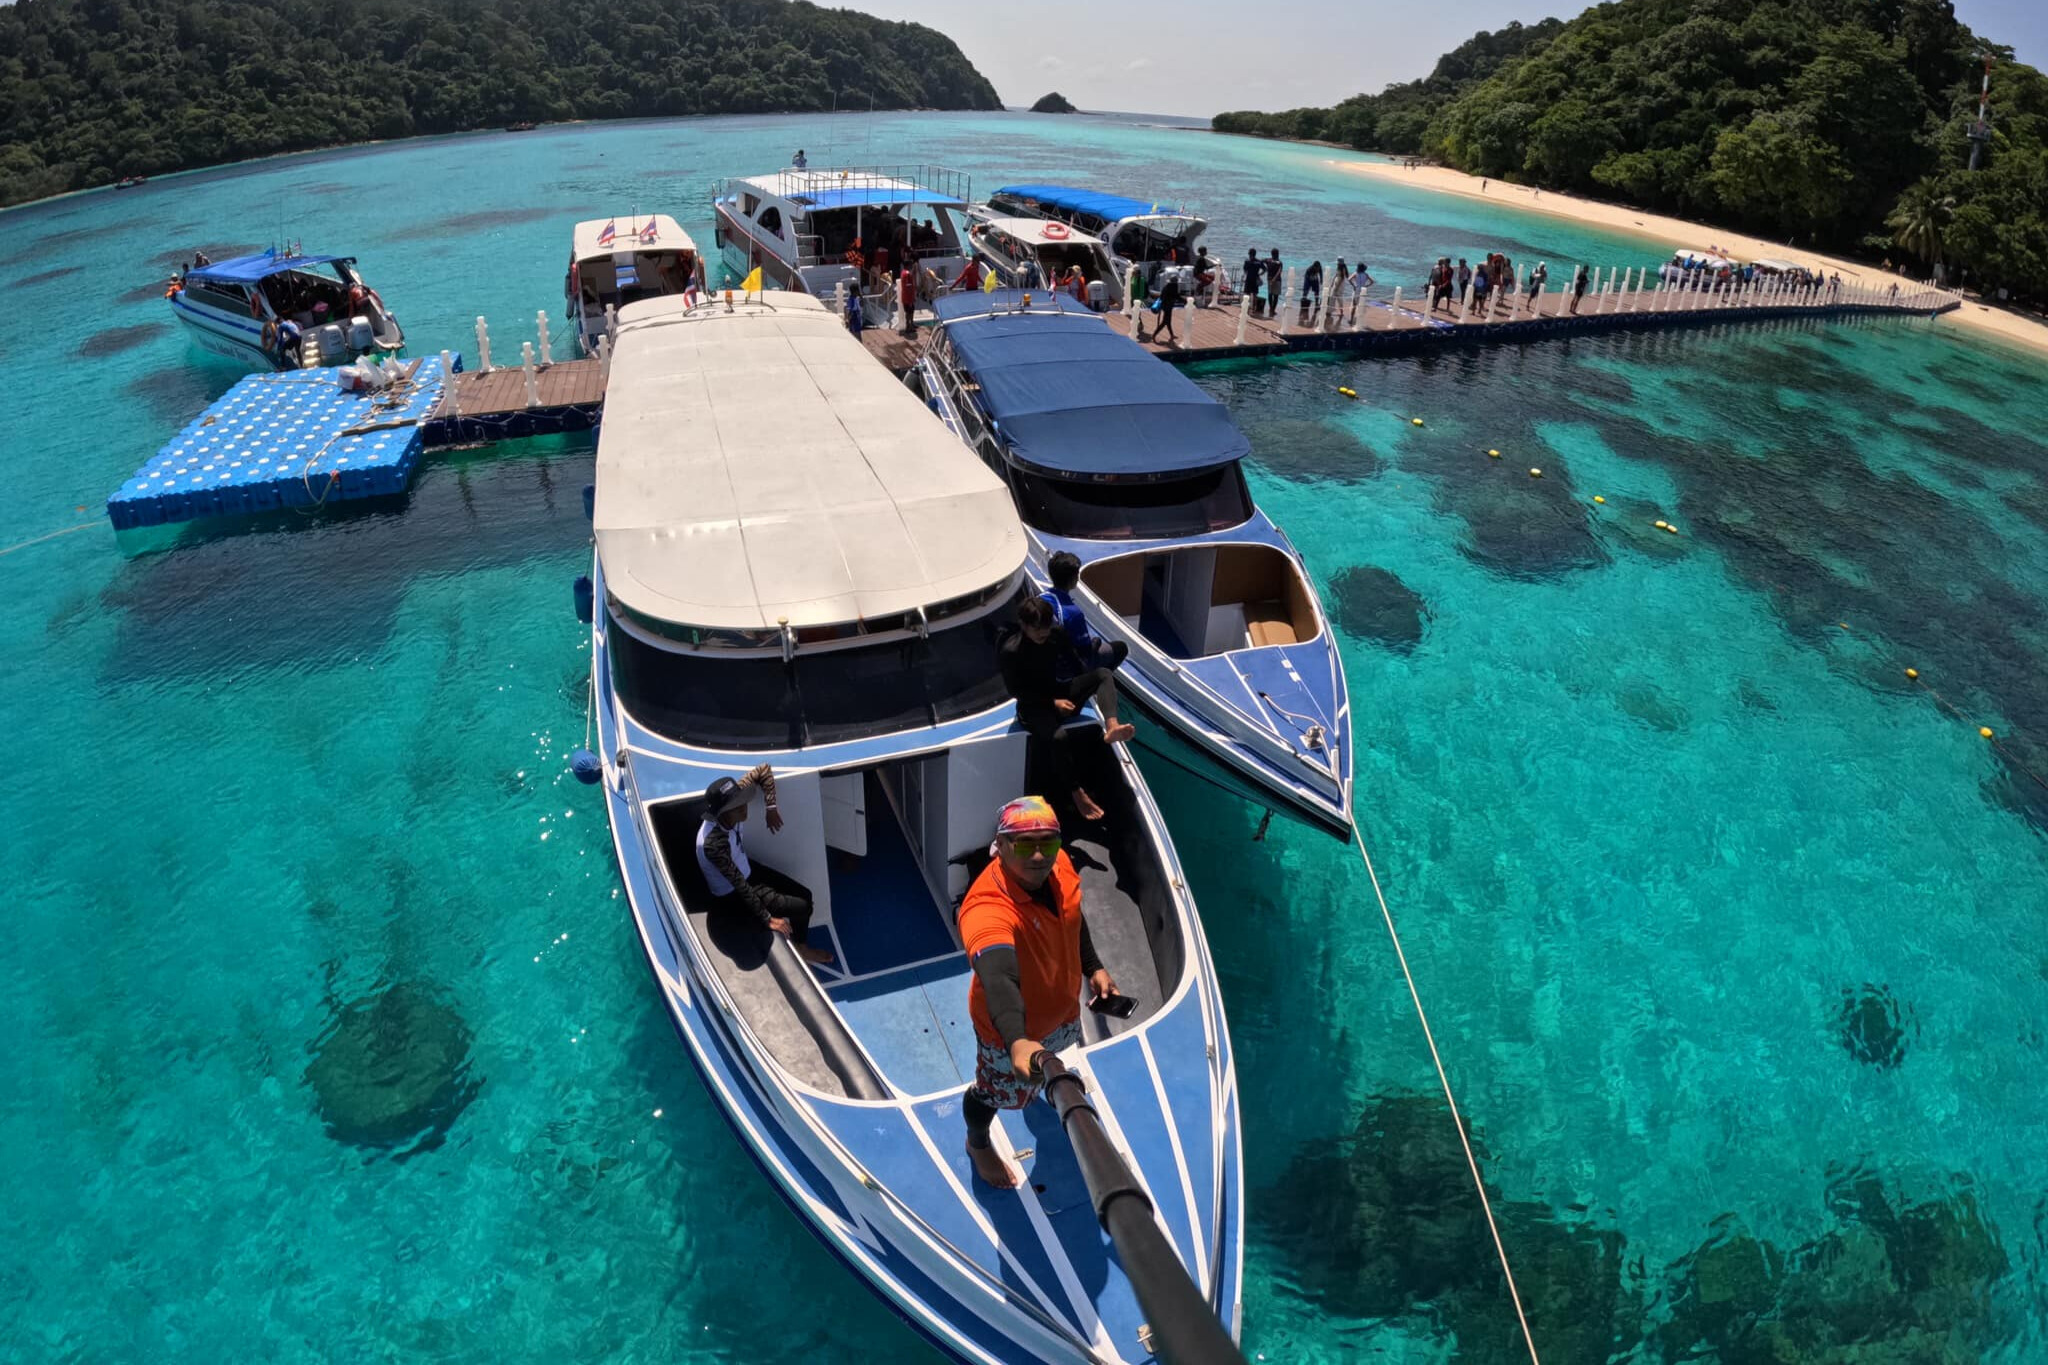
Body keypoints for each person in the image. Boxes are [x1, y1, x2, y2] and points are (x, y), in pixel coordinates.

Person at [957, 796, 1121, 1188]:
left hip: (1063, 1013)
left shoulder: (1061, 865)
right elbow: (998, 977)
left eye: (1046, 842)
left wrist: (1093, 965)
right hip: (1012, 1034)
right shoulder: (985, 908)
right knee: (992, 1094)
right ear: (1000, 844)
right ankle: (976, 1142)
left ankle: (1035, 1088)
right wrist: (1016, 1041)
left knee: (1044, 1072)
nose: (1037, 856)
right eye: (1023, 844)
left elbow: (1072, 916)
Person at [998, 597, 1132, 822]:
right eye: (1037, 628)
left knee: (1103, 674)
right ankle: (1078, 794)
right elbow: (1017, 692)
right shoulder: (1011, 651)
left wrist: (1080, 686)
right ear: (1024, 625)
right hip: (1032, 706)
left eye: (1046, 627)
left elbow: (1076, 664)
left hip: (1057, 691)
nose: (1043, 632)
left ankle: (1112, 727)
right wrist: (1053, 703)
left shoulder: (1056, 633)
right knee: (1059, 738)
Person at [696, 766, 834, 966]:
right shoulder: (713, 845)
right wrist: (767, 917)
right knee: (802, 907)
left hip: (747, 868)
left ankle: (800, 946)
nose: (744, 807)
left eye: (742, 801)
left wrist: (771, 808)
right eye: (737, 806)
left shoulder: (731, 809)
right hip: (732, 894)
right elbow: (740, 884)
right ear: (722, 813)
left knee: (806, 895)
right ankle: (777, 936)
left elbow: (763, 770)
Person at [1144, 268, 1183, 345]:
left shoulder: (1166, 287)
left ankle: (1171, 335)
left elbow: (1162, 296)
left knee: (1168, 321)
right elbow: (1176, 296)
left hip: (1165, 306)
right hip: (1168, 306)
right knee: (1165, 322)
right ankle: (1154, 335)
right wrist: (1184, 300)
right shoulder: (1173, 287)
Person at [1299, 260, 1323, 325]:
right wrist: (1309, 284)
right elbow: (1307, 279)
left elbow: (1321, 273)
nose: (1318, 269)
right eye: (1317, 268)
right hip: (1308, 278)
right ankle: (1303, 300)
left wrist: (1321, 279)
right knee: (1306, 290)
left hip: (1315, 278)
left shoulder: (1319, 268)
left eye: (1318, 268)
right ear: (1314, 267)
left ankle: (1317, 303)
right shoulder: (1309, 269)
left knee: (1317, 291)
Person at [1242, 247, 1264, 316]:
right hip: (1255, 279)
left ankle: (1246, 308)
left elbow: (1245, 270)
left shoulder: (1247, 261)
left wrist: (1245, 276)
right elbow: (1265, 269)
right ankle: (1253, 309)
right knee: (1254, 295)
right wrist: (1259, 274)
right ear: (1255, 254)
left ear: (1249, 254)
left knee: (1247, 294)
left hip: (1248, 279)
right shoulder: (1259, 262)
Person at [898, 266, 917, 336]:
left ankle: (910, 324)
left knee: (909, 311)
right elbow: (909, 287)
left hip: (905, 297)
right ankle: (909, 326)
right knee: (909, 311)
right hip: (908, 297)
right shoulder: (908, 274)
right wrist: (911, 299)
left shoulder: (903, 273)